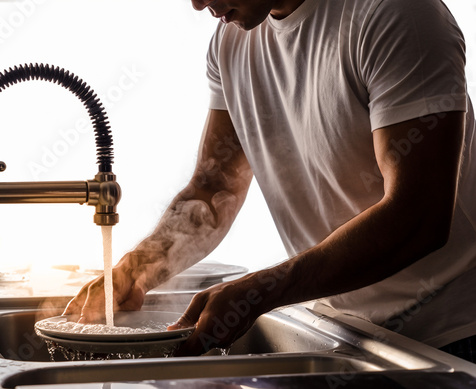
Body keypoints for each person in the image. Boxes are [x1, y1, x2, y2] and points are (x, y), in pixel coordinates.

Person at [64, 0, 476, 361]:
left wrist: (265, 289)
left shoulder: (396, 14)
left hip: (447, 338)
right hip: (342, 330)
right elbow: (212, 190)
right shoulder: (231, 41)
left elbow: (419, 216)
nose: (195, 3)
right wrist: (133, 272)